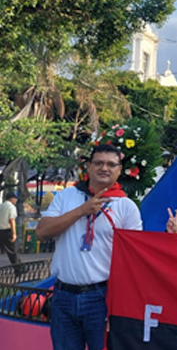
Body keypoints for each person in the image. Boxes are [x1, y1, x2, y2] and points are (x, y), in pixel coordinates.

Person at [36, 144, 142, 350]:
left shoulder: (126, 206)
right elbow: (42, 232)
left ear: (119, 170)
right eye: (99, 163)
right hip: (63, 296)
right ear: (89, 167)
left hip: (101, 298)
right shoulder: (68, 196)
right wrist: (81, 211)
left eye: (111, 164)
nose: (105, 168)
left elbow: (133, 260)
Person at [0, 192, 21, 274]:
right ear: (11, 198)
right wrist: (14, 233)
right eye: (15, 199)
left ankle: (21, 266)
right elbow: (11, 220)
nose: (16, 201)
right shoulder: (11, 207)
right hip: (7, 231)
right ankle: (18, 270)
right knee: (12, 251)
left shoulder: (1, 206)